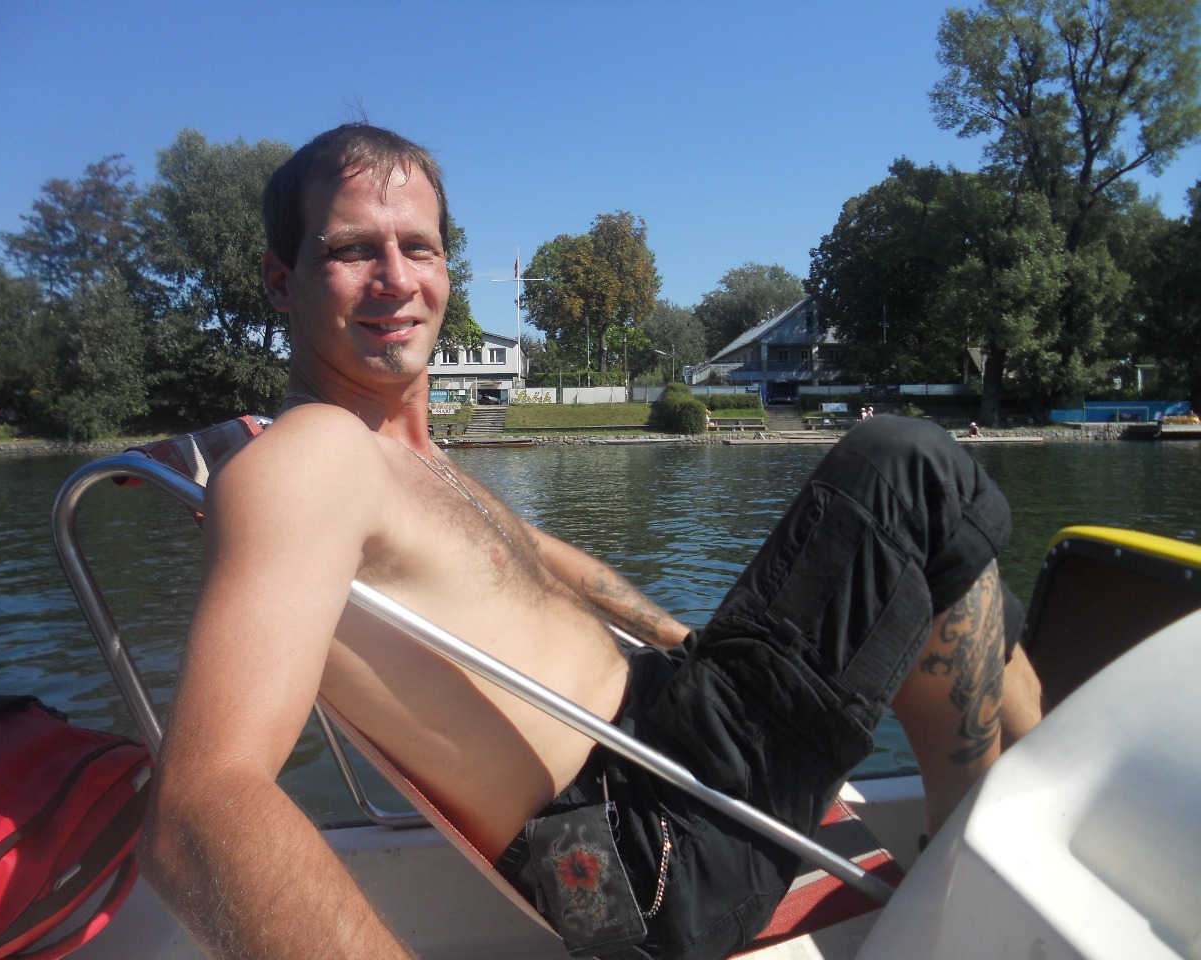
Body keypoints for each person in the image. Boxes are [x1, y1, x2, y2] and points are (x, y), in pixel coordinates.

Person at [139, 122, 1043, 960]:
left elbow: (553, 566)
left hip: (677, 729)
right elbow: (201, 807)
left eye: (418, 247)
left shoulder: (414, 462)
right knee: (907, 466)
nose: (396, 278)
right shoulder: (311, 461)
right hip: (654, 840)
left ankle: (1030, 783)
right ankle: (968, 876)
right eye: (350, 250)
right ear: (280, 279)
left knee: (940, 548)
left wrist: (681, 641)